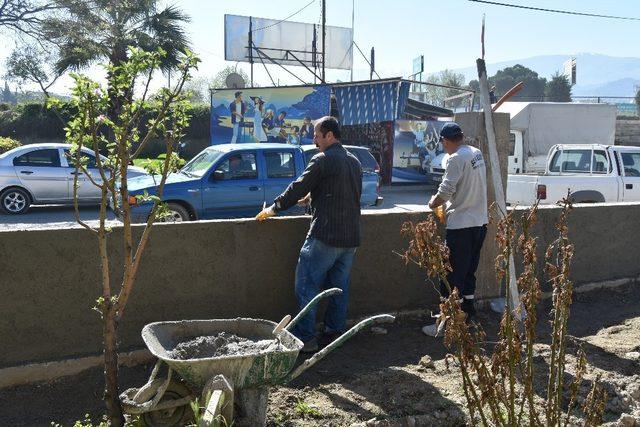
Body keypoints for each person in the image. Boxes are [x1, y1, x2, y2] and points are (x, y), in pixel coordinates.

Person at [255, 116, 363, 353]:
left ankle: (306, 338)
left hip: (325, 236)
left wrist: (274, 209)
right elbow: (343, 193)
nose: (313, 139)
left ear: (329, 136)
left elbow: (298, 186)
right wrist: (313, 198)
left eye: (316, 135)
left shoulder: (323, 159)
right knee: (339, 288)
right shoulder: (354, 162)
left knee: (306, 286)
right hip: (351, 239)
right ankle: (334, 333)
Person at [423, 122, 488, 337]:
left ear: (446, 140)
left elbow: (446, 191)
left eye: (443, 142)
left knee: (450, 276)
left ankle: (445, 325)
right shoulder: (475, 153)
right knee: (468, 272)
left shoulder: (455, 158)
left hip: (461, 225)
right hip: (480, 223)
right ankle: (468, 317)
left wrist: (433, 203)